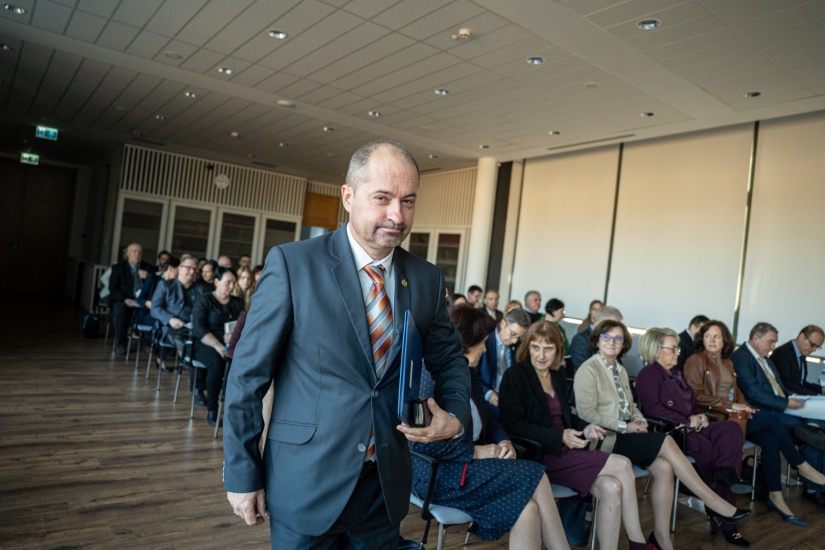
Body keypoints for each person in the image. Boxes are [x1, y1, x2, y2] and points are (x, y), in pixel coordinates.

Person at [223, 140, 470, 548]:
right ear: (348, 196)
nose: (397, 215)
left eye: (408, 201)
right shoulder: (293, 264)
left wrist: (456, 417)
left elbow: (449, 359)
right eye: (382, 198)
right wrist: (241, 473)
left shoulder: (426, 279)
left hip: (383, 486)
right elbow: (248, 377)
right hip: (306, 480)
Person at [574, 319, 750, 548]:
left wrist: (637, 419)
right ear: (596, 340)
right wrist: (626, 426)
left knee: (666, 468)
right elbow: (587, 414)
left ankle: (661, 538)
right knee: (667, 441)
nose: (612, 342)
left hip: (628, 434)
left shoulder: (620, 369)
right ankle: (714, 503)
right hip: (606, 437)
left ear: (624, 344)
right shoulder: (588, 369)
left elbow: (632, 406)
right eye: (606, 337)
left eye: (618, 338)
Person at [410, 305, 569, 549]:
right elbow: (419, 443)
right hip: (438, 476)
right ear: (465, 341)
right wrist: (476, 451)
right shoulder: (428, 378)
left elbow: (489, 420)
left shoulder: (466, 372)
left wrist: (503, 440)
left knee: (527, 509)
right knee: (536, 475)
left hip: (467, 469)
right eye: (483, 342)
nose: (485, 349)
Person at [500, 321, 657, 550]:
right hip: (541, 453)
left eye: (548, 349)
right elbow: (512, 424)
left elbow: (566, 417)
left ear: (558, 350)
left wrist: (586, 427)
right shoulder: (515, 375)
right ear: (527, 347)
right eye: (535, 347)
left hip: (566, 447)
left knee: (612, 487)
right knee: (622, 465)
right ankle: (638, 543)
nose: (541, 355)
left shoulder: (557, 374)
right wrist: (558, 436)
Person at [685, 320, 825, 524]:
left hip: (738, 417)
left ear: (724, 340)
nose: (713, 340)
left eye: (718, 337)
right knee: (774, 420)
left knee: (771, 440)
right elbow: (697, 396)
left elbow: (740, 392)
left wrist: (743, 405)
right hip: (717, 419)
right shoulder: (698, 360)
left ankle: (776, 496)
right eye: (708, 336)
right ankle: (802, 467)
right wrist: (735, 405)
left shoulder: (727, 362)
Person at [636, 327, 751, 547]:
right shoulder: (648, 375)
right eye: (673, 348)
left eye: (677, 348)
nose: (678, 352)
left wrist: (700, 415)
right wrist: (688, 421)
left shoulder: (676, 372)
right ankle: (725, 519)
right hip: (671, 432)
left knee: (731, 429)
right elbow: (652, 410)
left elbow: (690, 403)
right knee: (709, 449)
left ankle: (727, 474)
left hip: (692, 425)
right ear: (656, 350)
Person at [192, 266, 244, 426]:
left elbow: (243, 325)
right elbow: (199, 328)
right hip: (206, 343)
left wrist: (234, 337)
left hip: (231, 343)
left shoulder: (237, 303)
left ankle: (238, 408)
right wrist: (218, 345)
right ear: (216, 282)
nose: (231, 286)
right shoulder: (204, 301)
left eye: (234, 283)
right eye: (228, 282)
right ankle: (212, 407)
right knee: (217, 362)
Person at [477, 308, 531, 417]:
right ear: (503, 323)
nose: (515, 340)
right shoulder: (484, 340)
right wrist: (488, 393)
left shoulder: (517, 346)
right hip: (486, 397)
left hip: (509, 397)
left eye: (520, 337)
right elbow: (471, 375)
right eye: (513, 334)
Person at [151, 256, 198, 374]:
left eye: (194, 269)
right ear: (179, 269)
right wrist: (170, 319)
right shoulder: (166, 285)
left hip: (193, 325)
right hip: (171, 326)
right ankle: (187, 359)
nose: (192, 271)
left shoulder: (199, 289)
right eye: (188, 268)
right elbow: (155, 308)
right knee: (179, 335)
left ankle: (191, 360)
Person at [108, 243, 153, 355]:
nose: (137, 254)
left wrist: (148, 277)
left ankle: (147, 343)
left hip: (143, 301)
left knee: (153, 311)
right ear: (127, 254)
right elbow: (113, 288)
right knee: (120, 309)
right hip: (124, 300)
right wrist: (124, 299)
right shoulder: (119, 267)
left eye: (140, 252)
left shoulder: (148, 268)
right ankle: (121, 344)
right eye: (134, 251)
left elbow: (156, 285)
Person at [771, 325, 825, 396]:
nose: (814, 350)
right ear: (802, 337)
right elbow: (786, 385)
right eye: (812, 345)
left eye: (817, 347)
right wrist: (817, 395)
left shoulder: (801, 354)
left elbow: (801, 384)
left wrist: (821, 390)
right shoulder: (782, 353)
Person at [569, 305, 622, 372]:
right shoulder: (581, 339)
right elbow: (583, 369)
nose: (616, 328)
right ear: (600, 321)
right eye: (613, 324)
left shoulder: (611, 339)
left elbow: (619, 367)